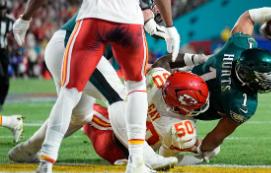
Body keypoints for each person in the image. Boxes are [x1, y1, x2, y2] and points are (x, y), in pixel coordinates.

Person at [12, 0, 180, 172]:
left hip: (78, 37)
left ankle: (29, 150)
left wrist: (25, 18)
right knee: (119, 94)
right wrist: (167, 25)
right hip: (66, 43)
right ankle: (142, 157)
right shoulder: (138, 11)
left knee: (80, 114)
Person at [152, 7, 271, 162]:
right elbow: (215, 137)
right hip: (183, 111)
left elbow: (248, 17)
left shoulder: (240, 46)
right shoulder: (242, 104)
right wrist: (200, 149)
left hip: (173, 83)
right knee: (191, 146)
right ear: (249, 78)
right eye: (265, 80)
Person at [0, 0, 13, 111]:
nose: (2, 11)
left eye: (3, 9)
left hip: (4, 52)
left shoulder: (9, 22)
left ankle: (1, 102)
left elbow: (14, 33)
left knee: (5, 81)